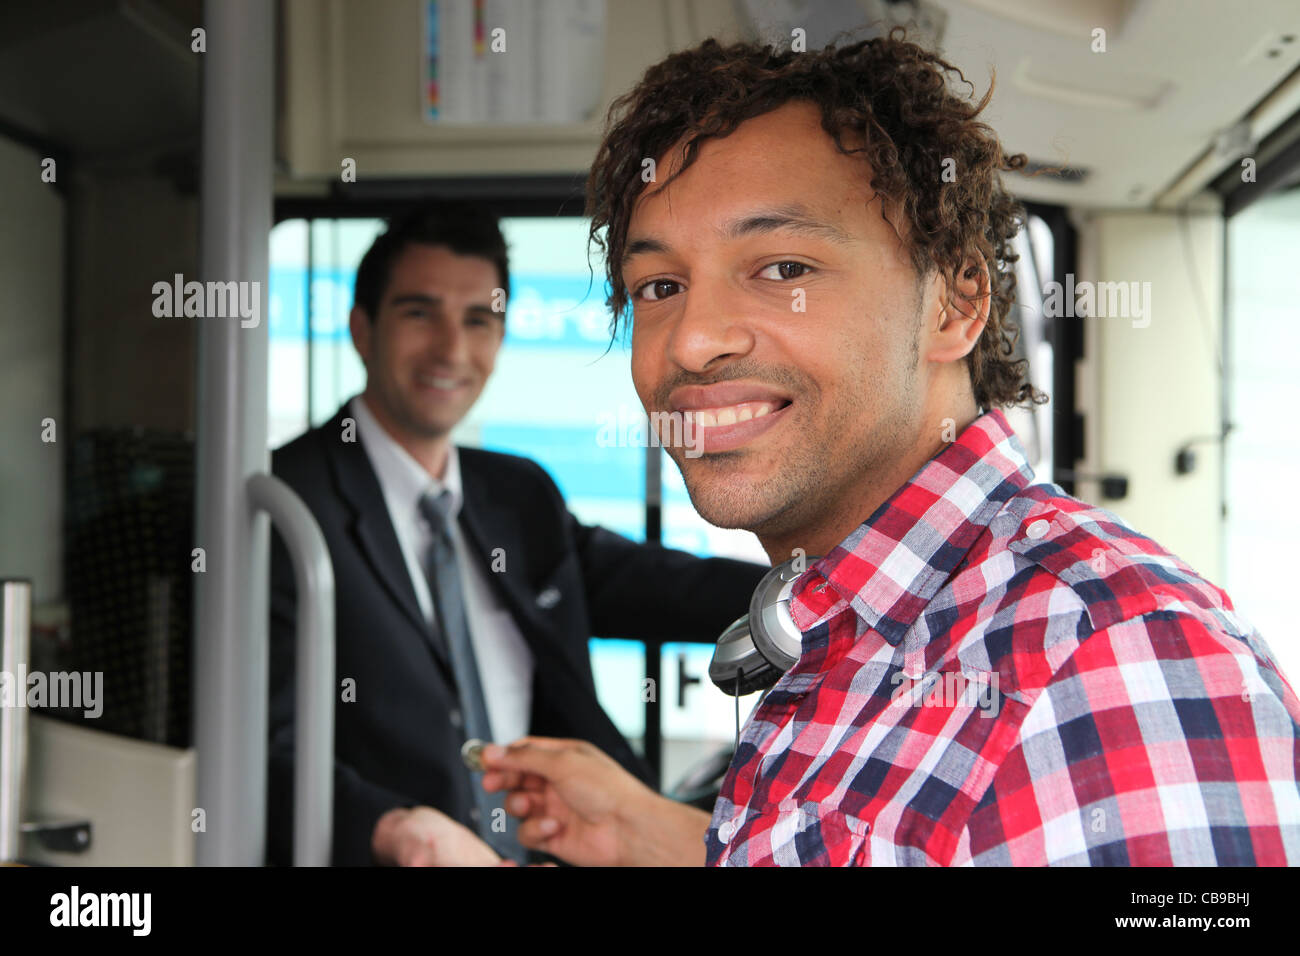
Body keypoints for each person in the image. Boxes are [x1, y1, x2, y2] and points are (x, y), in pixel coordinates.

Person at [474, 32, 1300, 866]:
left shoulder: (1112, 663)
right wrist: (642, 836)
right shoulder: (847, 627)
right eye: (660, 287)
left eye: (782, 267)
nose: (691, 341)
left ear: (955, 303)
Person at [265, 201, 766, 866]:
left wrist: (818, 593)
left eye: (479, 320)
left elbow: (659, 585)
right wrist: (394, 830)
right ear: (363, 329)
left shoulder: (515, 493)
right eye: (420, 314)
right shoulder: (286, 503)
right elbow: (259, 744)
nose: (452, 349)